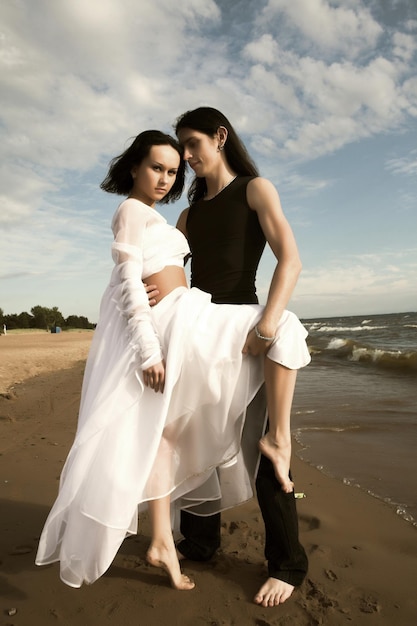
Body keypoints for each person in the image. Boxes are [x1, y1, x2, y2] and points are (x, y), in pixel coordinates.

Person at [35, 130, 310, 592]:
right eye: (157, 167)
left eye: (172, 169)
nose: (167, 175)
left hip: (186, 313)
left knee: (167, 433)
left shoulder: (169, 217)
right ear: (134, 169)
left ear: (218, 140)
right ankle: (277, 443)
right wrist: (147, 347)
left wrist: (171, 286)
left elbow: (166, 268)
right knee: (284, 327)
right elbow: (126, 281)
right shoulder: (130, 210)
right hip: (172, 325)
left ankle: (165, 538)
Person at [166, 107, 309, 607]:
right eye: (179, 146)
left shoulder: (255, 189)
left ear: (220, 137)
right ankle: (200, 543)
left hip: (247, 336)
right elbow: (171, 281)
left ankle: (288, 564)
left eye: (191, 143)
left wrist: (269, 322)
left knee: (266, 445)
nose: (185, 155)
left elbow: (289, 257)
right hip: (199, 336)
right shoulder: (187, 215)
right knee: (194, 437)